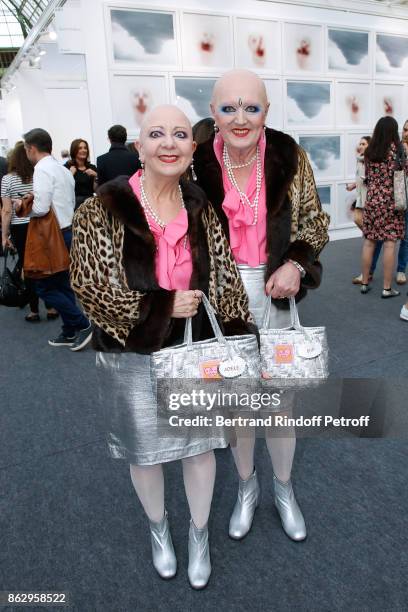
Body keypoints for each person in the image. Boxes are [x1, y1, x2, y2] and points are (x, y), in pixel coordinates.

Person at [70, 105, 255, 589]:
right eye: (157, 134)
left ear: (192, 148)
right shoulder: (102, 208)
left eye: (178, 134)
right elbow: (89, 287)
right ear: (140, 147)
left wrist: (240, 338)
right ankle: (158, 530)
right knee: (145, 453)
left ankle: (198, 535)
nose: (168, 143)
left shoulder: (200, 206)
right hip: (131, 354)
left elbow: (226, 279)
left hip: (195, 350)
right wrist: (161, 308)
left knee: (199, 450)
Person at [193, 70, 329, 542]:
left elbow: (315, 223)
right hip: (220, 301)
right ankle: (247, 488)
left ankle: (284, 489)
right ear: (213, 113)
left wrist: (295, 263)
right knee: (238, 407)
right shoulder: (195, 161)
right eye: (228, 108)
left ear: (267, 111)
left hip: (277, 296)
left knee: (280, 405)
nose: (240, 117)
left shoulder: (289, 155)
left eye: (251, 107)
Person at [20, 128, 93, 350]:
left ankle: (82, 324)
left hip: (53, 236)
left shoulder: (42, 170)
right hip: (67, 231)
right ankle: (69, 331)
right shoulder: (62, 170)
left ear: (31, 148)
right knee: (62, 285)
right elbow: (68, 201)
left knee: (44, 287)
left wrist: (22, 206)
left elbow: (41, 209)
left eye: (26, 149)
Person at [1, 141, 58, 322]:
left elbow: (7, 210)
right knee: (45, 265)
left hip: (19, 227)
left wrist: (4, 234)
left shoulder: (7, 179)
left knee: (29, 268)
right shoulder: (38, 175)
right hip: (39, 223)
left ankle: (34, 310)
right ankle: (50, 307)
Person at [360, 116, 406, 297]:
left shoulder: (370, 151)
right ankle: (387, 288)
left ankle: (364, 283)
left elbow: (367, 176)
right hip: (391, 202)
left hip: (372, 200)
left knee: (369, 242)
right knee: (389, 244)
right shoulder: (398, 151)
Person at [349, 136, 382, 285]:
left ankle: (372, 237)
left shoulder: (370, 160)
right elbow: (360, 179)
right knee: (357, 219)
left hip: (369, 201)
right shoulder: (360, 159)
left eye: (363, 143)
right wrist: (353, 185)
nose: (360, 146)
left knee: (369, 236)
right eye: (360, 143)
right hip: (361, 199)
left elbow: (372, 179)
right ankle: (373, 236)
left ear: (369, 146)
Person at [64, 139, 97, 209]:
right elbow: (63, 189)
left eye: (85, 148)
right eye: (80, 148)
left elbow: (95, 190)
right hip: (74, 206)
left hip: (90, 205)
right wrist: (70, 174)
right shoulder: (67, 167)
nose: (84, 150)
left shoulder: (92, 167)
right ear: (74, 150)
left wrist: (96, 176)